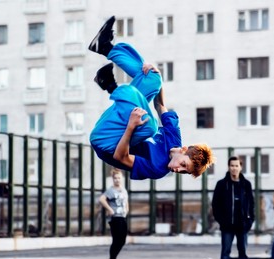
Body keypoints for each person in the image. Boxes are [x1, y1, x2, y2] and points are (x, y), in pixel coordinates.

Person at [88, 15, 215, 180]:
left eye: (184, 171)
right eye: (183, 165)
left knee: (150, 127)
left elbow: (120, 158)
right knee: (153, 79)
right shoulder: (174, 137)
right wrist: (158, 75)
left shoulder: (158, 169)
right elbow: (161, 105)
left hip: (106, 143)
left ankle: (111, 86)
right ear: (184, 150)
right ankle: (105, 47)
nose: (177, 170)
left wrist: (131, 127)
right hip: (119, 118)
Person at [212, 156, 254, 259]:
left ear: (241, 167)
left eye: (236, 165)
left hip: (242, 225)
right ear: (228, 167)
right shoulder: (221, 184)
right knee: (225, 254)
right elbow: (215, 204)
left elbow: (252, 204)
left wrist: (249, 221)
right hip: (227, 226)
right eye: (232, 165)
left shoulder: (246, 185)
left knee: (243, 255)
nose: (234, 168)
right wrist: (221, 221)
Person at [99, 168, 129, 259]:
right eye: (115, 178)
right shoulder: (111, 190)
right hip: (115, 218)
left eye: (119, 178)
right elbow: (102, 199)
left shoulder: (124, 190)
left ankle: (112, 258)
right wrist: (109, 209)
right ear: (113, 179)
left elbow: (126, 202)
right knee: (116, 240)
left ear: (122, 178)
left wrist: (126, 210)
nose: (117, 180)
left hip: (122, 217)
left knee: (122, 240)